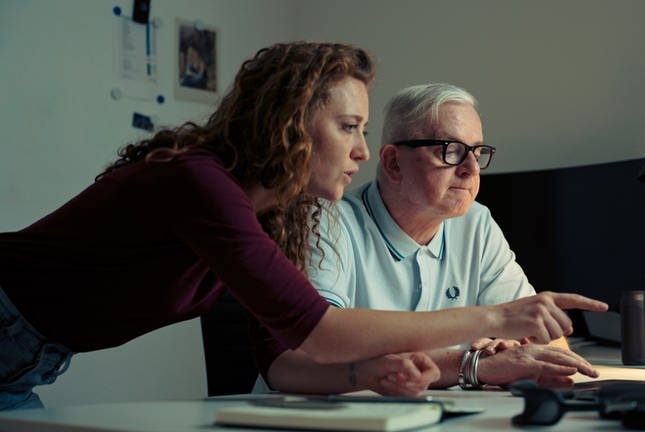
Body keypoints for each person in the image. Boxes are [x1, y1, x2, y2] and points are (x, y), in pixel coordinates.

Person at [0, 42, 607, 410]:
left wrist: (364, 375)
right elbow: (319, 331)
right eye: (348, 128)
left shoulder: (274, 217)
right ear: (291, 123)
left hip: (30, 354)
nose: (364, 153)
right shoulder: (200, 184)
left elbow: (283, 351)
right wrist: (497, 319)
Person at [258, 83, 601, 395]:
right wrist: (472, 365)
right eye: (450, 150)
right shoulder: (324, 219)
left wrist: (517, 358)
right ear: (393, 162)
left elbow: (546, 342)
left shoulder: (476, 223)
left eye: (477, 152)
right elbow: (297, 361)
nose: (471, 168)